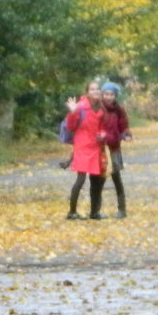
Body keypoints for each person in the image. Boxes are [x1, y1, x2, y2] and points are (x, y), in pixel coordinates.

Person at [64, 80, 107, 220]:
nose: (95, 91)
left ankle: (95, 212)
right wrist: (72, 111)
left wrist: (103, 134)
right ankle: (72, 212)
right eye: (92, 89)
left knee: (97, 180)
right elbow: (70, 126)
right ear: (87, 92)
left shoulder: (101, 107)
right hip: (82, 146)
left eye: (97, 89)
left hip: (95, 146)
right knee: (80, 179)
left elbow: (103, 125)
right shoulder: (81, 106)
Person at [100, 82, 132, 218]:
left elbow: (124, 125)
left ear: (115, 95)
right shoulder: (97, 108)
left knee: (116, 177)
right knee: (98, 179)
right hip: (100, 149)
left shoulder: (119, 110)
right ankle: (96, 210)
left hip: (114, 148)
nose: (109, 97)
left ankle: (122, 209)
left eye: (111, 94)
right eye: (106, 94)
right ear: (102, 95)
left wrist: (126, 134)